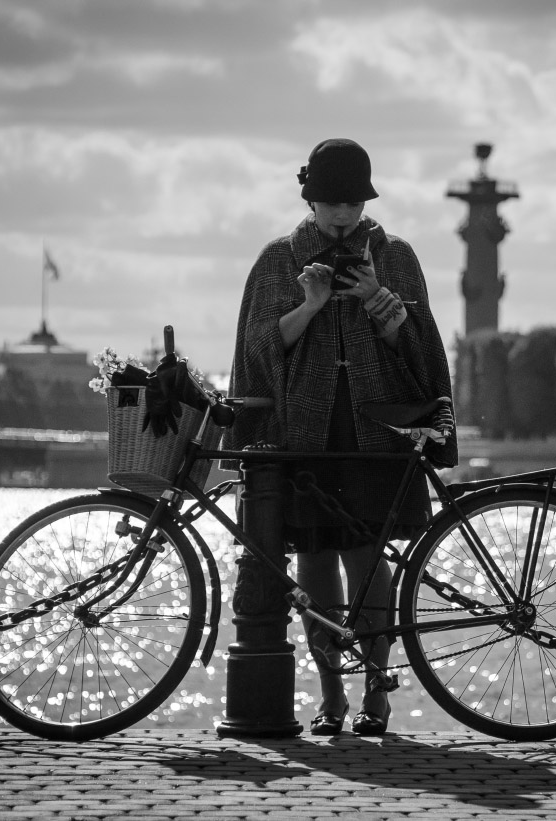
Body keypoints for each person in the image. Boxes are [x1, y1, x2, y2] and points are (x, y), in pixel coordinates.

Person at [226, 138, 456, 736]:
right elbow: (257, 349)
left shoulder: (395, 253)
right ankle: (331, 698)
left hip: (374, 430)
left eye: (353, 202)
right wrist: (310, 305)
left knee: (367, 557)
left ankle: (376, 695)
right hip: (303, 429)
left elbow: (422, 350)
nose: (342, 214)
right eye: (331, 202)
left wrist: (378, 298)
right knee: (314, 561)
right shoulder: (279, 258)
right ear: (310, 198)